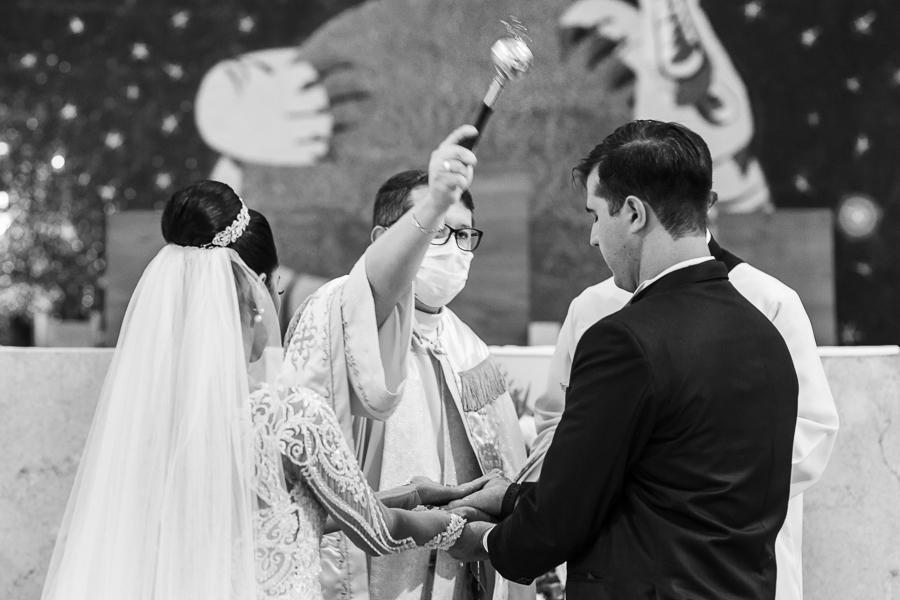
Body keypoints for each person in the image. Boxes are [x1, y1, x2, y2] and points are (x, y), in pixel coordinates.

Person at [40, 180, 492, 600]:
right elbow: (376, 530)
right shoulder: (287, 415)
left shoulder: (149, 419)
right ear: (256, 295)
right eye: (275, 290)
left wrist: (416, 493)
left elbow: (307, 509)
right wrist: (463, 525)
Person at [447, 120, 799, 600]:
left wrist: (485, 540)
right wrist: (512, 497)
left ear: (633, 213)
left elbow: (563, 516)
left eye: (595, 215)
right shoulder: (765, 333)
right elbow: (666, 489)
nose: (593, 238)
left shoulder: (624, 340)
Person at [518, 224, 839, 600]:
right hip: (616, 559)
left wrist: (675, 483)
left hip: (730, 554)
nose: (591, 235)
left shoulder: (768, 299)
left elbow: (811, 433)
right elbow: (557, 422)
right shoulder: (590, 306)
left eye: (599, 212)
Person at [282, 126, 528, 600]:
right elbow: (372, 286)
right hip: (373, 567)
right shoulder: (348, 309)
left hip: (457, 569)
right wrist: (434, 199)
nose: (455, 249)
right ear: (383, 238)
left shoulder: (470, 348)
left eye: (464, 235)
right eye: (438, 230)